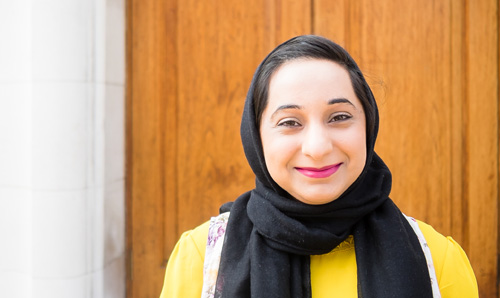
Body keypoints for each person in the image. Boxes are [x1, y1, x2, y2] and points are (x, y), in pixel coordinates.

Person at [160, 35, 478, 298]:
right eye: (289, 122)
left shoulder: (436, 259)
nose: (317, 148)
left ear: (368, 126)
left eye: (339, 117)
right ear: (256, 137)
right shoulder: (203, 257)